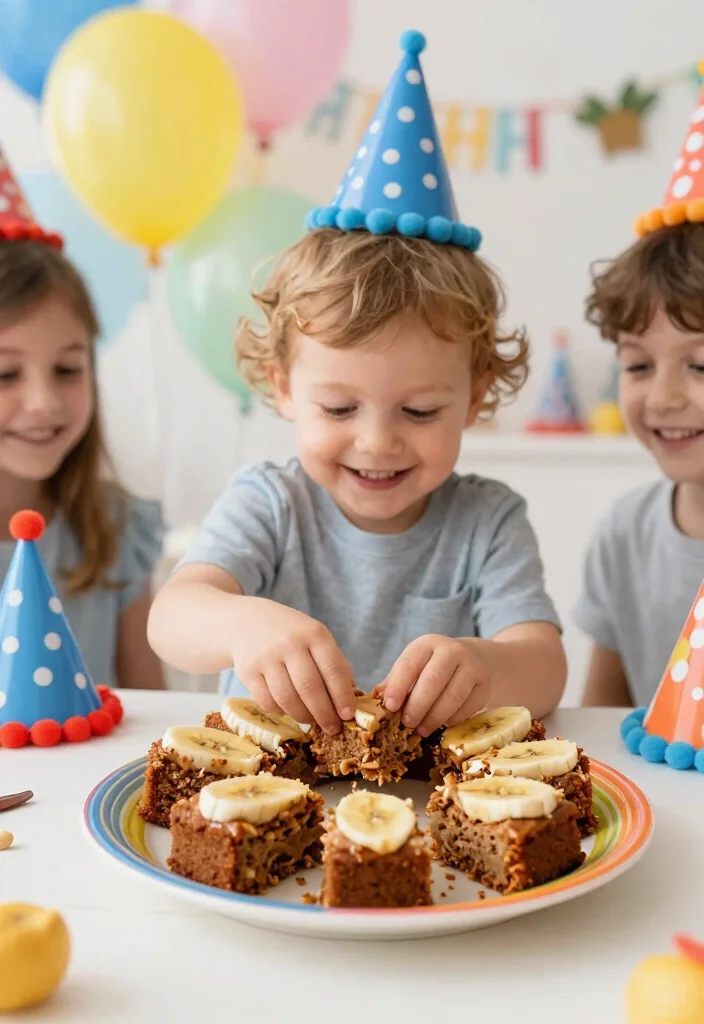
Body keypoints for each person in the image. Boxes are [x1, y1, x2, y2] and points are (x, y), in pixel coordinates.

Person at [148, 30, 565, 733]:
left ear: (477, 393)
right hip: (267, 796)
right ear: (282, 387)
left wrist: (489, 667)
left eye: (422, 410)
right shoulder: (270, 504)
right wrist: (241, 622)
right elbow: (171, 618)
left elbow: (546, 665)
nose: (377, 442)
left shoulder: (489, 521)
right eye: (339, 406)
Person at [0, 148, 165, 689]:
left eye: (68, 368)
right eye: (7, 375)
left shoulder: (114, 530)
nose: (44, 401)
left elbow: (152, 717)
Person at [574, 79, 704, 708]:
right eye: (638, 365)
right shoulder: (625, 534)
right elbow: (602, 725)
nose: (664, 398)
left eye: (700, 365)